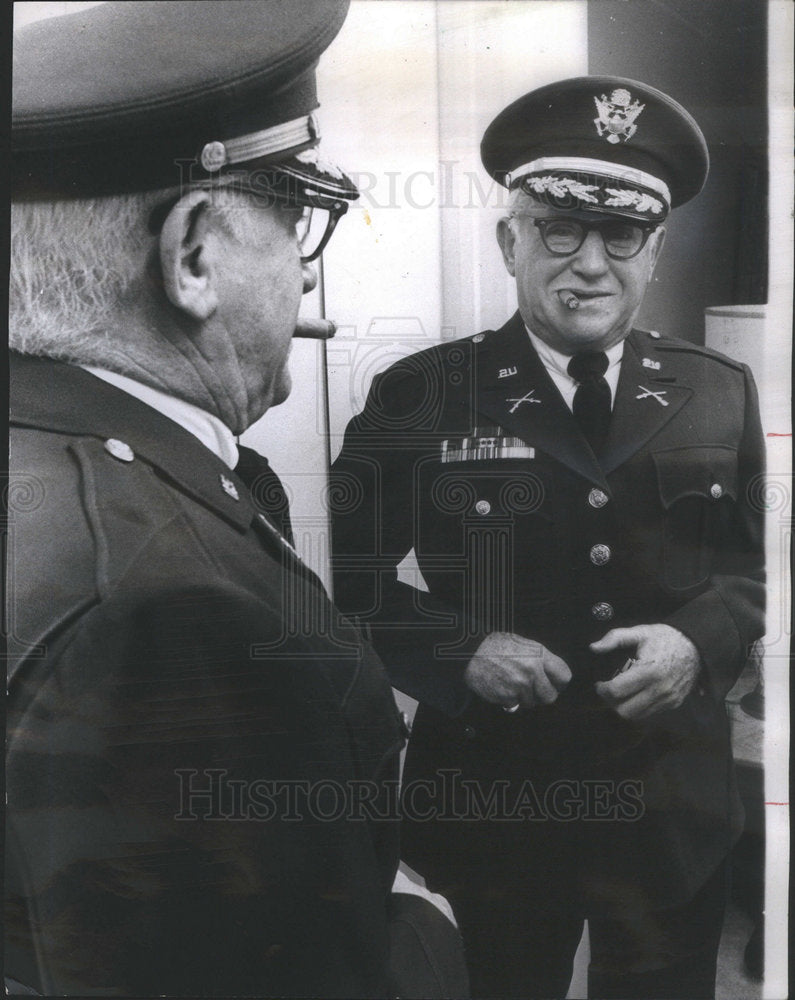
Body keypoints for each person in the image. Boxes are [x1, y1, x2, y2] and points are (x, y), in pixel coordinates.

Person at [5, 3, 468, 997]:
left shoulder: (56, 463)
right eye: (296, 219)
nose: (306, 270)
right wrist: (421, 923)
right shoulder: (166, 608)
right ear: (196, 255)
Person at [331, 76, 765, 999]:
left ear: (654, 249)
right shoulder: (420, 395)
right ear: (509, 240)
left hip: (668, 812)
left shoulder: (718, 390)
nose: (589, 265)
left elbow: (750, 570)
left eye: (620, 236)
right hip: (495, 809)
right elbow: (339, 581)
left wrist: (698, 641)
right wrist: (460, 651)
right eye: (557, 229)